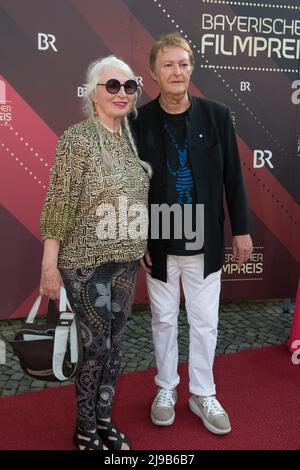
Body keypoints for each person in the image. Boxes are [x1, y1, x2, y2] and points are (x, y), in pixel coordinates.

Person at [134, 33, 253, 435]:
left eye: (183, 63)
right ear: (154, 72)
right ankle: (166, 387)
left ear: (192, 68)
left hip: (204, 238)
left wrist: (242, 230)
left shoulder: (216, 114)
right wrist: (137, 239)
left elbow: (232, 176)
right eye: (168, 64)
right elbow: (131, 186)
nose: (176, 71)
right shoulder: (138, 120)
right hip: (160, 241)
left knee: (205, 322)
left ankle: (202, 392)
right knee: (163, 320)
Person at [39, 55, 150, 450]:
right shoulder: (78, 139)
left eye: (129, 86)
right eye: (112, 85)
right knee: (96, 345)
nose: (122, 93)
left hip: (126, 261)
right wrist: (49, 264)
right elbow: (59, 202)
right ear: (93, 93)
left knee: (116, 344)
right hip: (85, 261)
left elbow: (137, 197)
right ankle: (84, 428)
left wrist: (143, 242)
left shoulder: (130, 138)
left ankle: (104, 418)